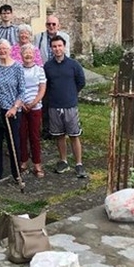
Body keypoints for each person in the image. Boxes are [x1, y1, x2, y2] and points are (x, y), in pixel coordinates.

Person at [44, 35, 87, 178]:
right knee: (59, 136)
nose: (57, 49)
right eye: (54, 46)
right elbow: (46, 85)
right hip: (54, 106)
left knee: (74, 135)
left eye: (59, 46)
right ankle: (63, 160)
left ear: (64, 47)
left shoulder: (74, 65)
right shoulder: (48, 66)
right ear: (51, 49)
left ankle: (79, 163)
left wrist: (71, 93)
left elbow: (81, 81)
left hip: (70, 105)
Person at [0, 39, 25, 184]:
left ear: (10, 50)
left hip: (12, 110)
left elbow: (22, 91)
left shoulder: (18, 67)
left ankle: (17, 173)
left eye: (4, 49)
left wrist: (14, 107)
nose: (2, 51)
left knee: (13, 142)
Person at [18, 44, 46, 178]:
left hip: (35, 107)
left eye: (30, 53)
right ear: (21, 55)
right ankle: (23, 161)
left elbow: (42, 88)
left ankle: (37, 164)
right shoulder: (18, 69)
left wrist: (33, 103)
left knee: (35, 136)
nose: (28, 55)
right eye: (25, 53)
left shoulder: (39, 70)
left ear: (34, 55)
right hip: (21, 107)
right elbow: (16, 88)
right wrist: (22, 103)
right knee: (22, 135)